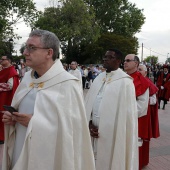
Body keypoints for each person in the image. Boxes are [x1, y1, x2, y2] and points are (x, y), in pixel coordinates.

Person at [2, 29, 95, 170]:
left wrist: (34, 123)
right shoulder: (27, 79)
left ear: (49, 53)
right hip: (20, 148)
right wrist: (13, 118)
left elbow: (71, 132)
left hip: (48, 158)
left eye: (32, 48)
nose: (25, 52)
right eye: (26, 47)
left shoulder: (67, 83)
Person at [85, 49, 138, 170]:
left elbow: (127, 115)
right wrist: (88, 123)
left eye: (110, 57)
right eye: (105, 56)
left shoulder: (125, 82)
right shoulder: (99, 78)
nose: (105, 59)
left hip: (113, 134)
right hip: (92, 130)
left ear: (118, 61)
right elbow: (88, 104)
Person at [124, 54, 149, 170]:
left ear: (136, 63)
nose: (125, 62)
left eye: (128, 60)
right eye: (124, 60)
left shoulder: (142, 81)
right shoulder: (121, 77)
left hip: (132, 121)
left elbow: (141, 107)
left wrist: (124, 114)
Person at [138, 64, 160, 167]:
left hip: (144, 117)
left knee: (142, 140)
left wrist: (141, 101)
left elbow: (153, 101)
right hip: (136, 116)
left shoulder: (148, 83)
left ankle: (142, 162)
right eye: (137, 69)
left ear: (146, 72)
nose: (139, 71)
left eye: (140, 70)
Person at [0, 55, 20, 144]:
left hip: (5, 98)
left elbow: (10, 86)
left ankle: (2, 137)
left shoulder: (11, 71)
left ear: (8, 60)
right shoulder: (5, 70)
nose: (1, 60)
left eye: (3, 59)